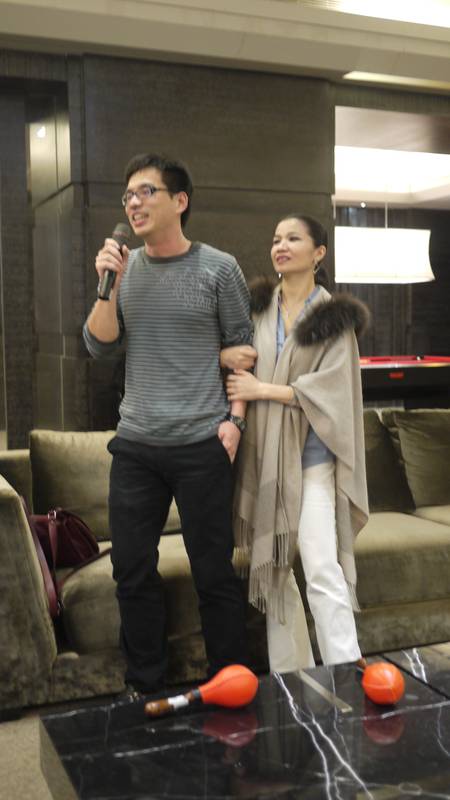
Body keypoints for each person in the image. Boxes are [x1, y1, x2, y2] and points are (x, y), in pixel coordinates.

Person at [83, 153, 253, 697]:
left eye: (146, 192)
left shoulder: (218, 268)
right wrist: (109, 284)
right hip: (136, 445)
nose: (133, 203)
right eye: (128, 195)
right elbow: (98, 346)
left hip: (203, 443)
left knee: (214, 572)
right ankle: (146, 686)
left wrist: (235, 423)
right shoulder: (123, 269)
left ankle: (229, 683)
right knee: (131, 569)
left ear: (180, 201)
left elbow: (243, 351)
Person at [222, 213, 370, 673]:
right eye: (276, 239)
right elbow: (238, 363)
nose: (280, 246)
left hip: (313, 461)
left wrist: (261, 389)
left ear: (318, 253)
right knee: (275, 570)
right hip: (265, 458)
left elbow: (333, 391)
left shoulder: (334, 319)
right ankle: (293, 676)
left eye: (293, 238)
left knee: (322, 567)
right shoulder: (258, 310)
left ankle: (345, 670)